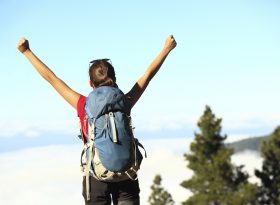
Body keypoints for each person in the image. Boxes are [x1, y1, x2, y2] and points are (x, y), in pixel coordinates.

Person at [17, 35, 177, 205]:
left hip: (96, 177)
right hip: (127, 174)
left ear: (90, 83)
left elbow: (52, 79)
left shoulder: (83, 104)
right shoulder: (125, 101)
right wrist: (166, 48)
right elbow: (148, 75)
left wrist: (26, 51)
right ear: (114, 80)